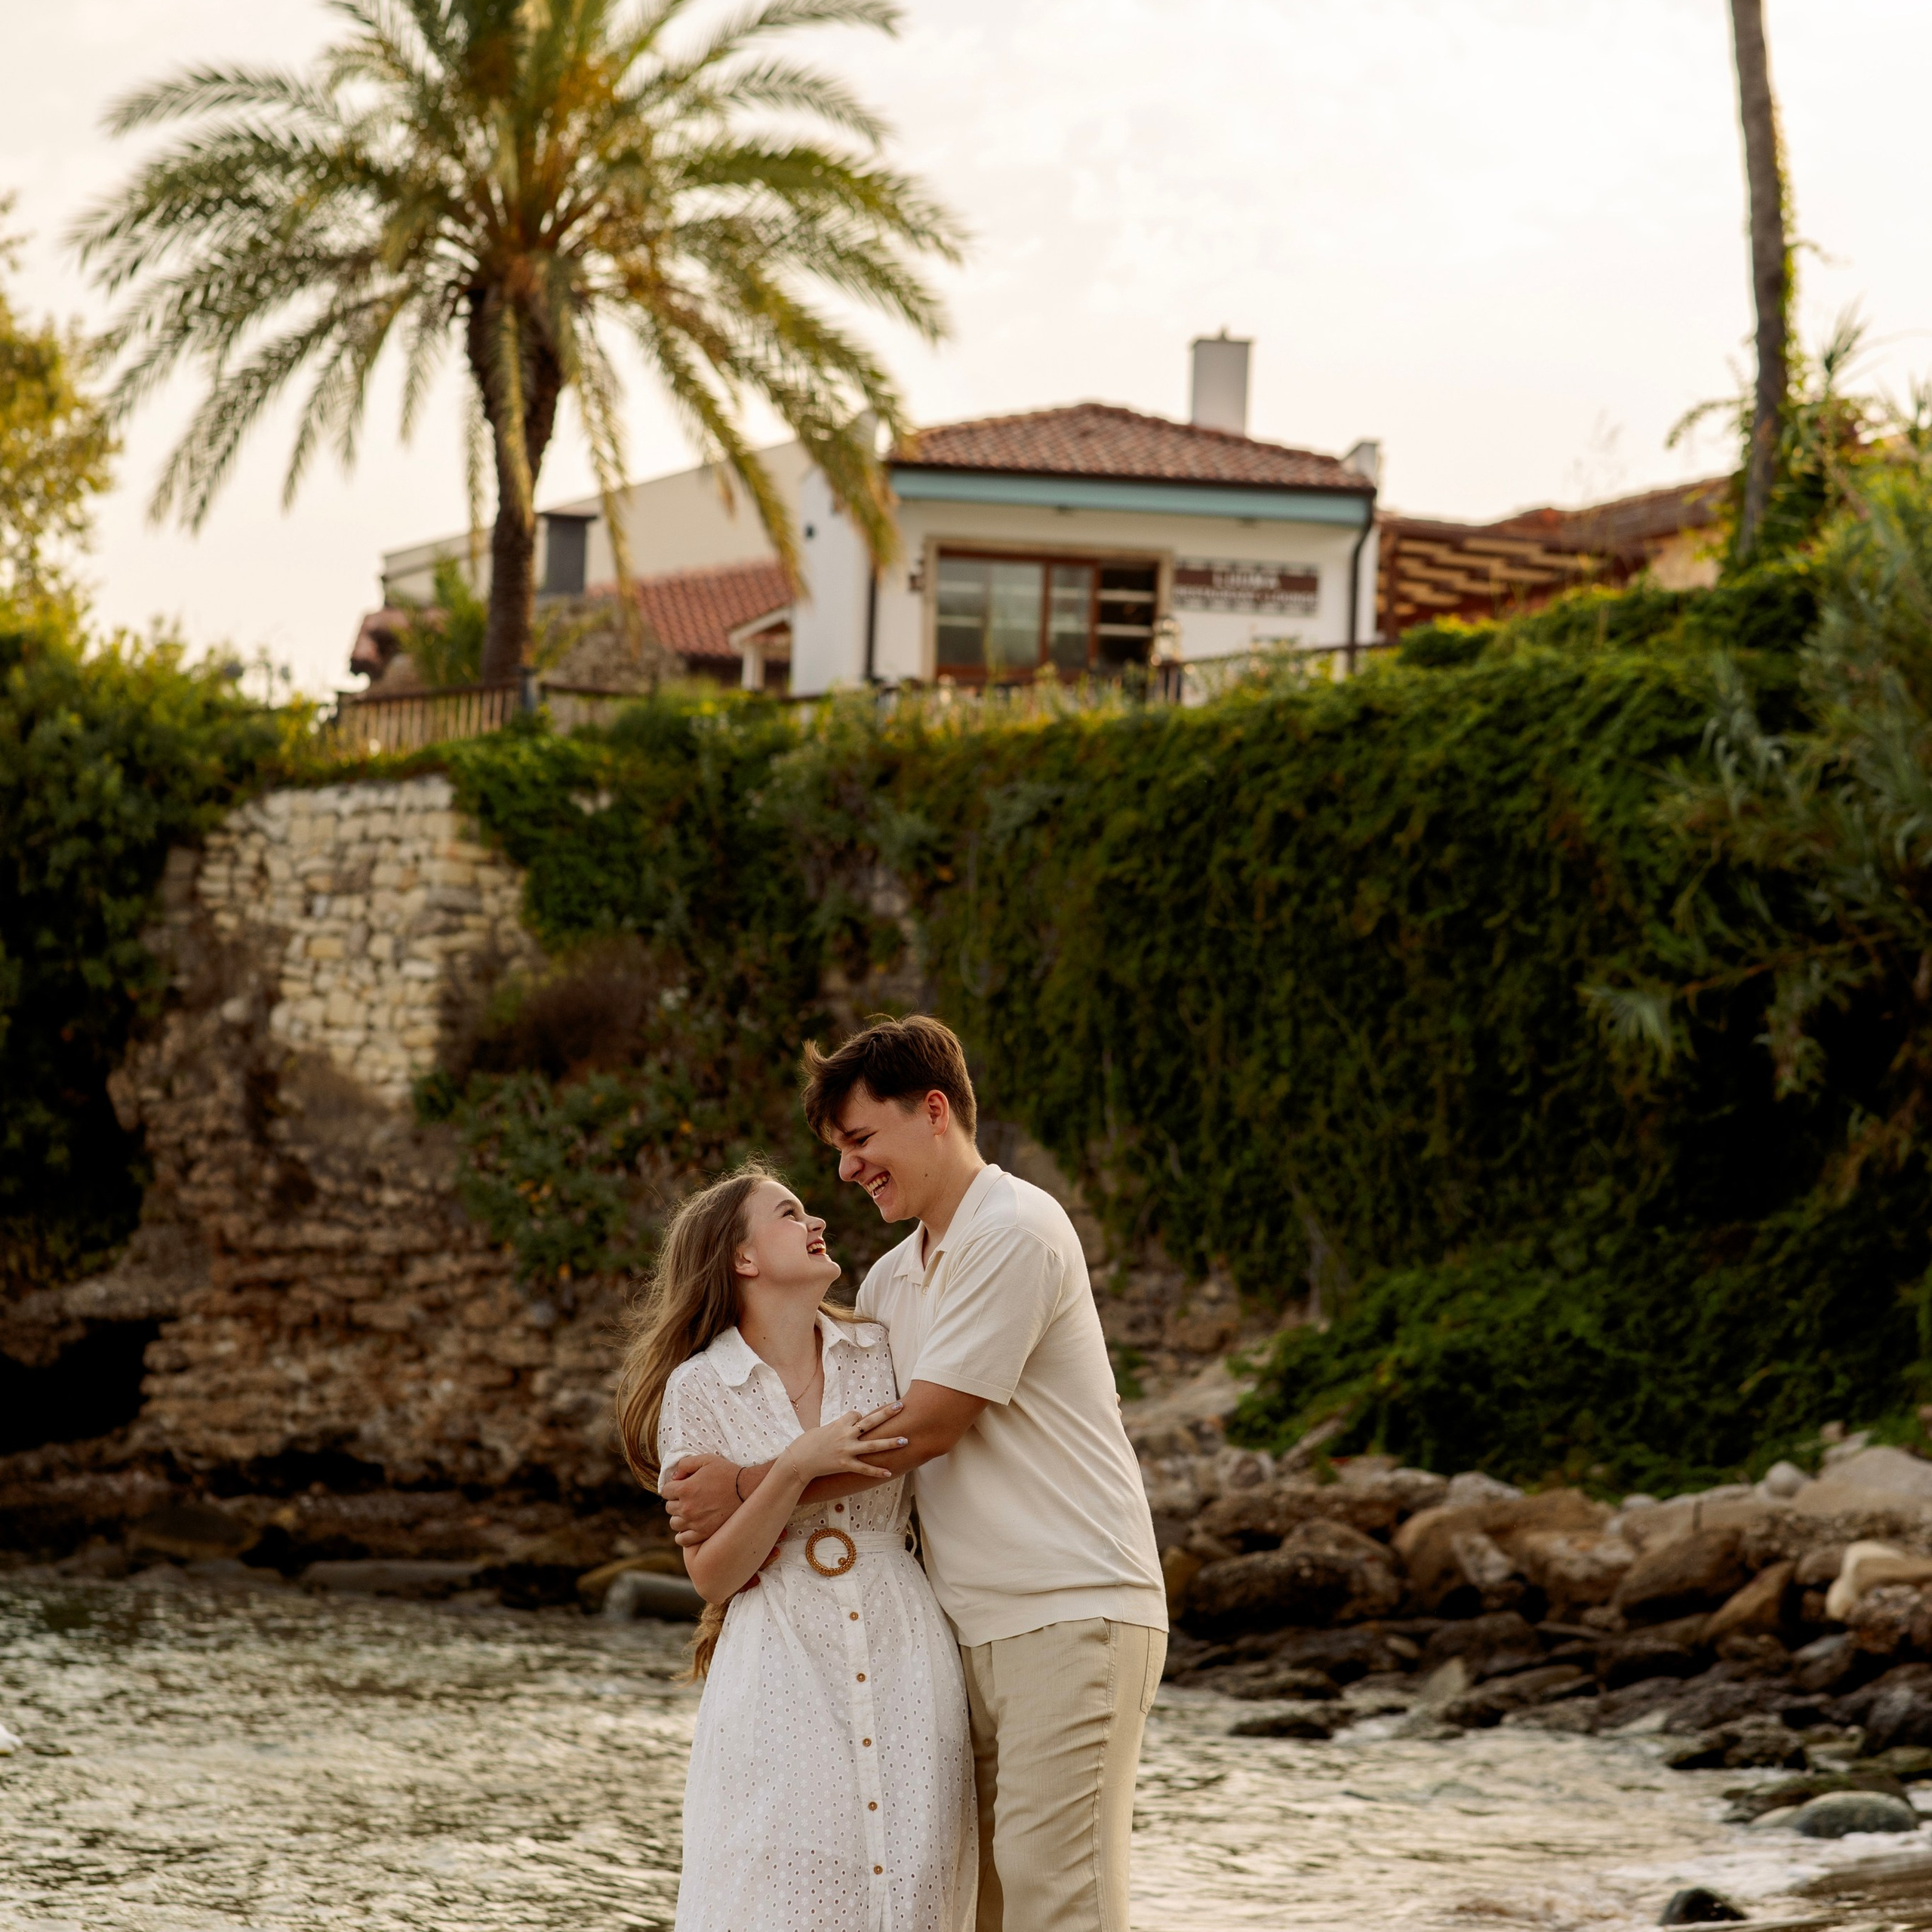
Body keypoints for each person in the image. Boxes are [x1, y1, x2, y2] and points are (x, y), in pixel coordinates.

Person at [663, 1017, 1168, 1932]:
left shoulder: (1013, 1228)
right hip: (955, 1631)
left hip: (1070, 1602)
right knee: (973, 1908)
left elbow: (927, 1427)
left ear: (933, 1112)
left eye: (860, 1141)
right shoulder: (891, 1284)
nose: (847, 1172)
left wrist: (748, 1485)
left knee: (1060, 1901)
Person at [615, 1161, 977, 1932]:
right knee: (781, 1886)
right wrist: (789, 1471)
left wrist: (757, 1477)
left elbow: (931, 1436)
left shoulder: (878, 1349)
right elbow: (713, 1575)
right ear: (742, 1258)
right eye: (789, 1212)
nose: (816, 1221)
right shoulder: (698, 1387)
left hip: (904, 1646)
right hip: (776, 1666)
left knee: (912, 1882)